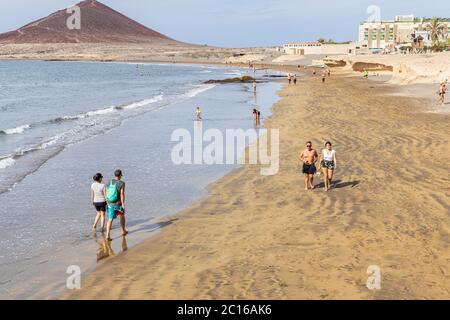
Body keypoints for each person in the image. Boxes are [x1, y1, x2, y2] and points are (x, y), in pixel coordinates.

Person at [105, 170, 128, 241]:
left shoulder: (109, 181)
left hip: (110, 203)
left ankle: (107, 235)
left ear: (115, 175)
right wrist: (123, 204)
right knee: (122, 216)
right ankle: (123, 231)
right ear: (120, 175)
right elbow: (122, 194)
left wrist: (107, 201)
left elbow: (106, 191)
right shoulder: (121, 183)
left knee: (110, 219)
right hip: (118, 203)